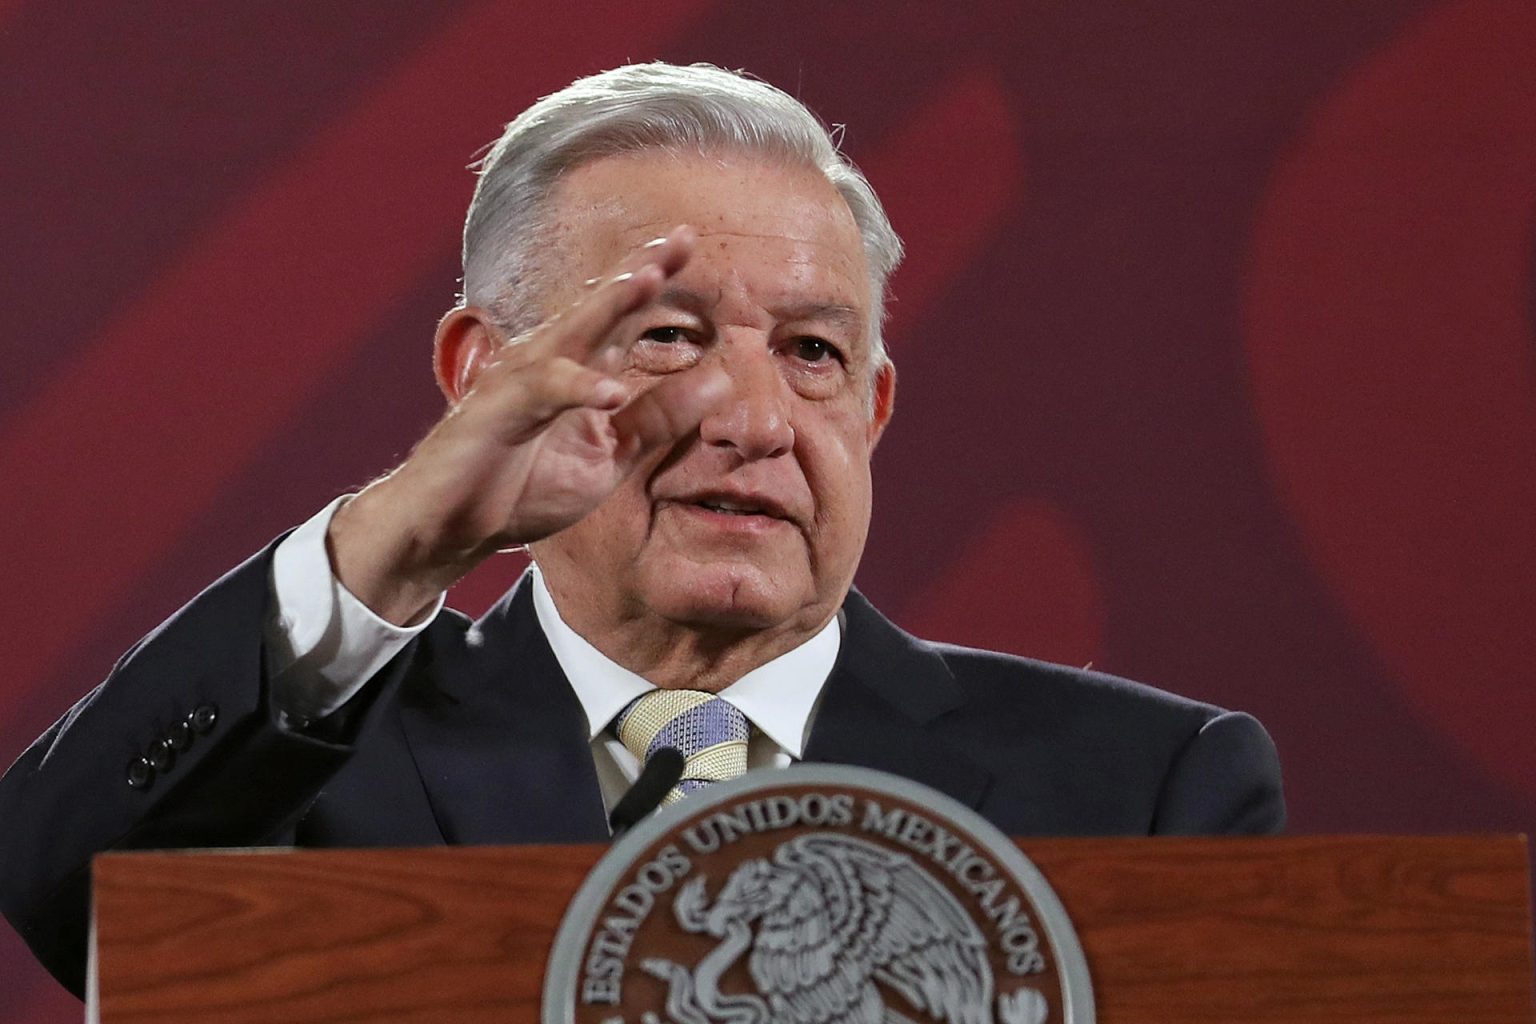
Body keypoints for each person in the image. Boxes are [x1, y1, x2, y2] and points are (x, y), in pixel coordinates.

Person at [0, 63, 1284, 997]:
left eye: (813, 351)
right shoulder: (311, 775)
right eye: (668, 335)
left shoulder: (1145, 790)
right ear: (478, 376)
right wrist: (394, 540)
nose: (753, 415)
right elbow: (70, 893)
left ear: (875, 405)